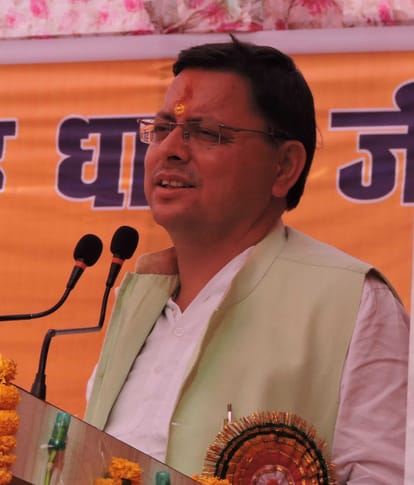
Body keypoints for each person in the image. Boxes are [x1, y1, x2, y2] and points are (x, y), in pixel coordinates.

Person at [84, 36, 409, 483]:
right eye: (162, 129)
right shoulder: (137, 296)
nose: (171, 149)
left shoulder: (353, 303)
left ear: (284, 167)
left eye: (206, 133)